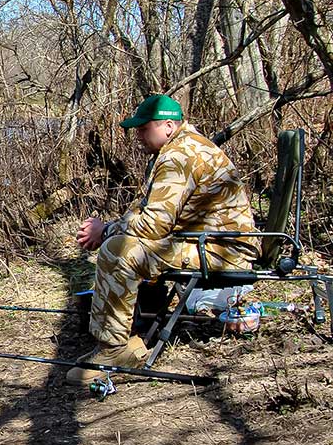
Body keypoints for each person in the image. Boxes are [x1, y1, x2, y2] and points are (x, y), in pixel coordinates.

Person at [67, 94, 259, 385]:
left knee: (119, 251)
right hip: (209, 242)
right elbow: (144, 211)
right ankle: (134, 329)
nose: (138, 135)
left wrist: (105, 232)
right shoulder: (179, 148)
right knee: (127, 244)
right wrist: (110, 226)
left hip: (224, 251)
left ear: (168, 126)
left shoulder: (178, 156)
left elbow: (154, 225)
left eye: (144, 128)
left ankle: (114, 350)